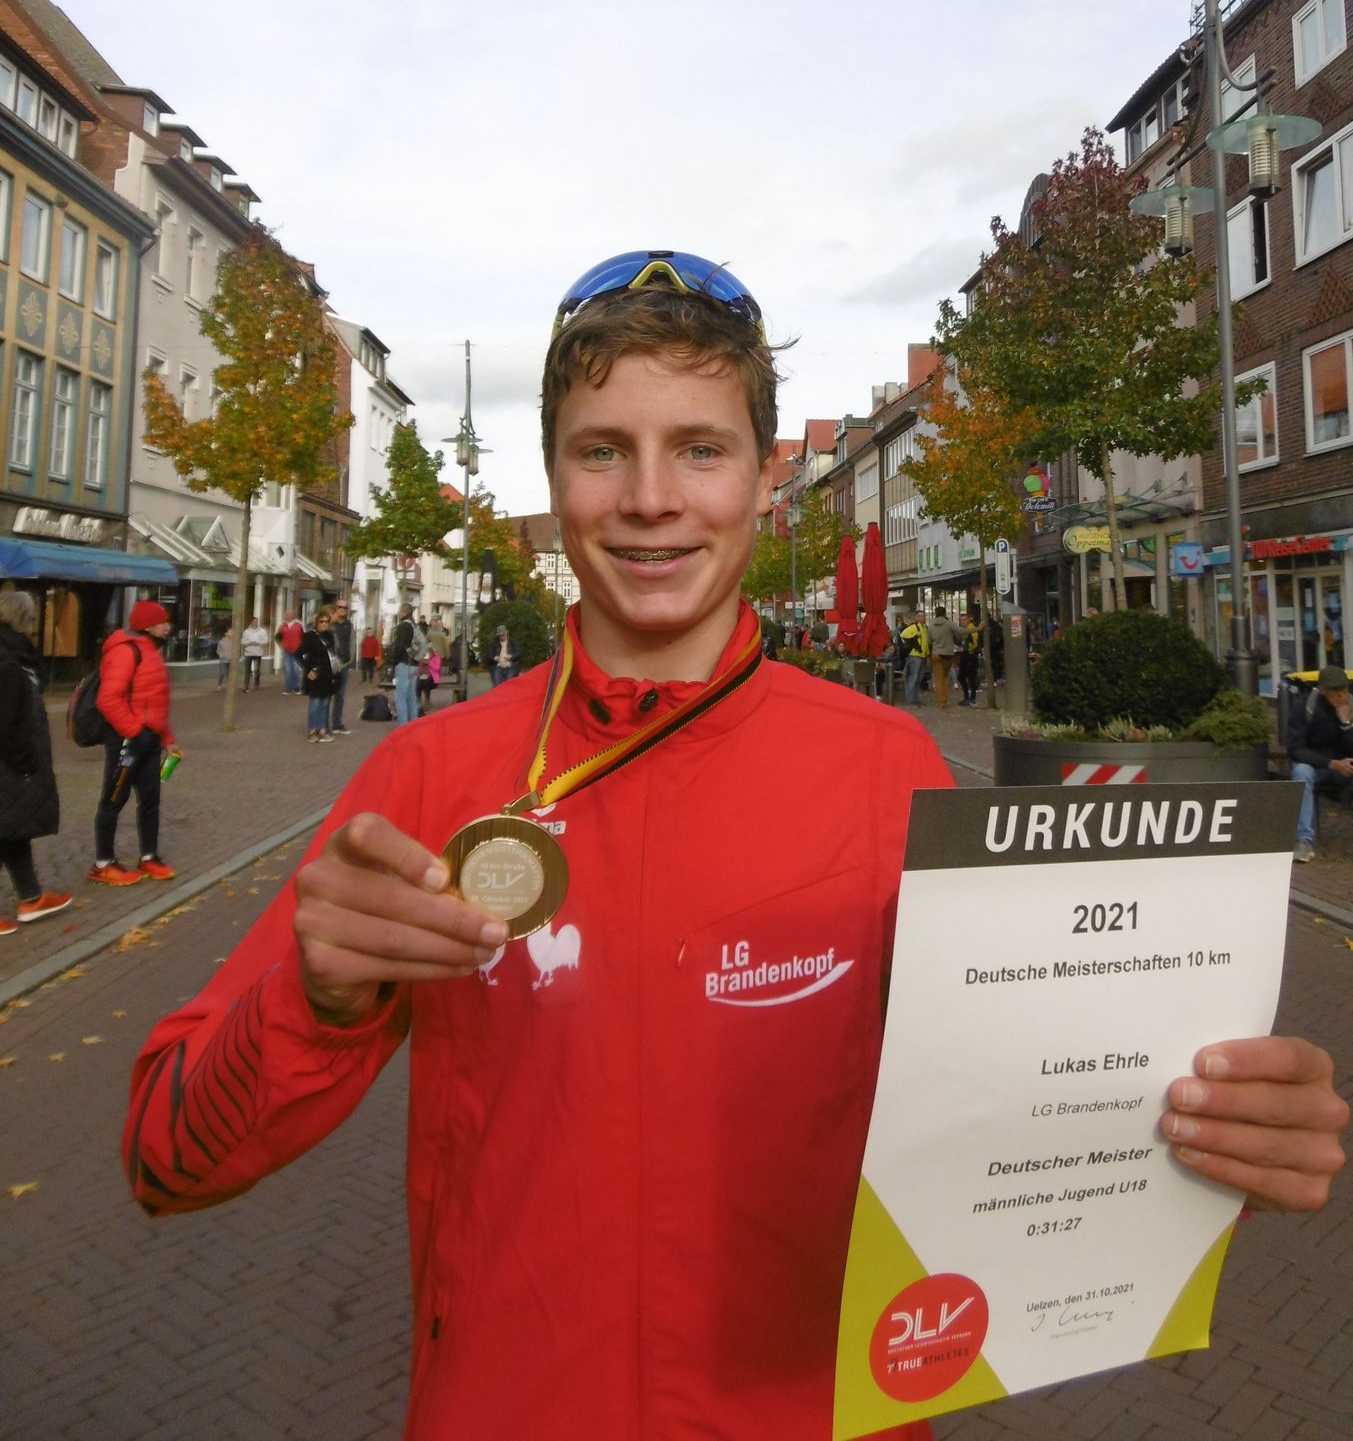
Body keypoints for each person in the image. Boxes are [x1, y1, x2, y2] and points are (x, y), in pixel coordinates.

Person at [123, 250, 1348, 1441]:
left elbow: (1037, 1112)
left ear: (765, 479)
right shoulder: (428, 777)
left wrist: (1206, 1133)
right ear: (555, 476)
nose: (651, 498)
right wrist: (316, 1001)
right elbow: (166, 1160)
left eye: (700, 449)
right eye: (603, 450)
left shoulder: (891, 775)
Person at [90, 599, 179, 886]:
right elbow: (108, 699)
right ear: (148, 626)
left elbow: (153, 703)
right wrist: (134, 731)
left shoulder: (151, 652)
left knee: (150, 799)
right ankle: (103, 862)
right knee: (114, 798)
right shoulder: (126, 652)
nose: (168, 627)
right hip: (126, 741)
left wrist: (166, 739)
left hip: (148, 740)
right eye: (163, 622)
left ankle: (149, 856)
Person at [0, 591, 71, 933]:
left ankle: (31, 896)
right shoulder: (9, 664)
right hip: (10, 763)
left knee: (15, 827)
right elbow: (6, 724)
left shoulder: (16, 659)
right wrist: (26, 762)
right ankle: (31, 897)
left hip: (14, 763)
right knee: (7, 827)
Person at [1288, 664, 1353, 863]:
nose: (1341, 695)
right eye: (1335, 691)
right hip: (1316, 766)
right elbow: (1296, 749)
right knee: (1301, 772)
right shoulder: (1304, 707)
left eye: (1344, 690)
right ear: (1323, 690)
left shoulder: (1351, 706)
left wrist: (1346, 725)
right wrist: (1331, 763)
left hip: (1346, 767)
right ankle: (1304, 841)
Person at [299, 609, 338, 745]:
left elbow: (332, 654)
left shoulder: (330, 636)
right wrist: (308, 670)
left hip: (327, 673)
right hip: (315, 673)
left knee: (325, 702)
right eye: (322, 621)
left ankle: (322, 729)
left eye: (327, 622)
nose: (324, 624)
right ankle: (312, 730)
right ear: (317, 622)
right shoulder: (309, 636)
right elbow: (299, 654)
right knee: (315, 703)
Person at [386, 604, 419, 726]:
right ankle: (413, 725)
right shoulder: (415, 626)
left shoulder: (403, 626)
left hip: (404, 664)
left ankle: (402, 726)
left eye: (399, 611)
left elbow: (399, 646)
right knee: (412, 697)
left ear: (404, 612)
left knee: (401, 697)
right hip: (414, 664)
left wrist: (392, 662)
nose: (398, 613)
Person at [328, 599, 355, 736]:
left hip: (343, 664)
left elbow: (352, 641)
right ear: (336, 608)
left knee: (340, 696)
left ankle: (337, 724)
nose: (342, 610)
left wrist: (351, 657)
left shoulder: (348, 624)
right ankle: (323, 725)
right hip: (330, 664)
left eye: (345, 607)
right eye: (340, 607)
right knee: (326, 695)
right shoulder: (328, 623)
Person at [928, 605, 959, 710]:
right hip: (948, 654)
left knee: (938, 679)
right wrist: (977, 629)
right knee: (945, 678)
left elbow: (929, 642)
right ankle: (945, 699)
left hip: (936, 654)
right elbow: (960, 631)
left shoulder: (931, 625)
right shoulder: (949, 624)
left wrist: (929, 656)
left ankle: (942, 702)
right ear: (944, 613)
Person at [900, 608, 929, 705]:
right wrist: (916, 635)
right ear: (916, 617)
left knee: (919, 678)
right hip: (915, 655)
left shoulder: (925, 628)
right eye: (920, 616)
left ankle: (915, 698)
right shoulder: (914, 627)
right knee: (913, 677)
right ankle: (910, 699)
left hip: (922, 655)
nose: (922, 617)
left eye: (923, 616)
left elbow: (926, 642)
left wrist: (927, 654)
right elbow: (903, 634)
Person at [957, 611, 981, 708]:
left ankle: (971, 698)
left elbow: (973, 643)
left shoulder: (971, 629)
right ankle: (967, 697)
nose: (962, 622)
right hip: (965, 654)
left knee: (970, 677)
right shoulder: (966, 629)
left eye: (964, 620)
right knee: (962, 676)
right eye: (961, 620)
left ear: (968, 620)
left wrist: (967, 648)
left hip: (970, 655)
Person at [277, 608, 304, 694]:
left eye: (290, 614)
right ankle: (288, 688)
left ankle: (296, 687)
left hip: (297, 650)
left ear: (293, 615)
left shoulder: (299, 625)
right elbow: (278, 637)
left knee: (295, 669)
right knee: (288, 669)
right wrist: (281, 645)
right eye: (287, 614)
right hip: (287, 650)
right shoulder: (282, 626)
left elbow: (303, 636)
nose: (288, 616)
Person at [241, 616, 269, 691]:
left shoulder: (262, 631)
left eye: (256, 622)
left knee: (256, 670)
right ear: (251, 622)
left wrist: (258, 642)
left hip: (258, 653)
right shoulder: (246, 632)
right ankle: (246, 685)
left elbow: (266, 641)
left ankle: (256, 684)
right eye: (254, 622)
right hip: (248, 653)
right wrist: (249, 642)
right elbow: (243, 642)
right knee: (247, 670)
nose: (255, 623)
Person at [488, 622, 520, 687]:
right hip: (498, 666)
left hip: (510, 666)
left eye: (503, 635)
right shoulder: (495, 643)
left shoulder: (512, 642)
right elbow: (489, 655)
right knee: (497, 683)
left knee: (509, 684)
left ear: (506, 633)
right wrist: (494, 658)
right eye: (500, 635)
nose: (502, 637)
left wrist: (511, 657)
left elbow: (519, 653)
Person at [416, 646, 441, 716]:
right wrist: (421, 666)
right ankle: (418, 703)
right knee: (419, 683)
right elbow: (418, 670)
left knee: (426, 682)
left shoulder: (436, 657)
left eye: (429, 652)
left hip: (433, 678)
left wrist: (429, 663)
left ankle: (427, 701)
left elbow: (437, 668)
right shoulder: (423, 657)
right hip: (423, 677)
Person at [215, 625, 233, 690]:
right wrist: (220, 655)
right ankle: (219, 685)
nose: (232, 633)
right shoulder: (221, 642)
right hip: (223, 660)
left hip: (230, 660)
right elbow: (218, 650)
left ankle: (229, 686)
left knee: (229, 674)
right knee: (222, 673)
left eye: (232, 632)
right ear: (226, 634)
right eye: (230, 632)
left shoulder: (234, 642)